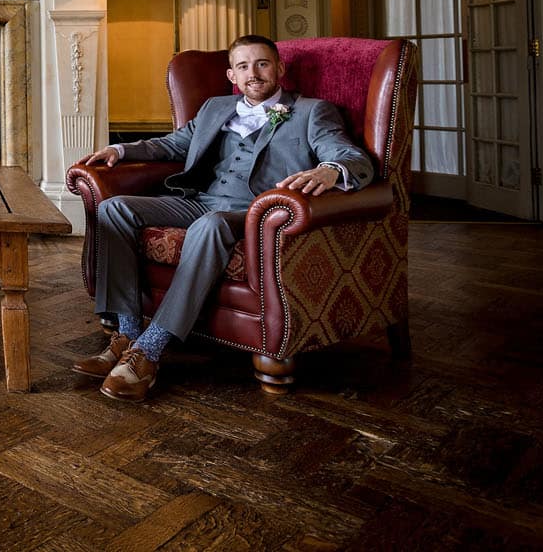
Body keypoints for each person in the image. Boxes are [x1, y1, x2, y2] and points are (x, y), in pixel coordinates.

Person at [73, 34, 372, 403]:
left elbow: (349, 156)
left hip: (254, 212)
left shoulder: (312, 111)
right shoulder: (215, 107)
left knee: (210, 225)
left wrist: (329, 171)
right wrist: (120, 149)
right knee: (114, 209)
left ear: (279, 68)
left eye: (262, 63)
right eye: (244, 66)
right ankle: (127, 334)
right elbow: (173, 145)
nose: (254, 73)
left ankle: (150, 350)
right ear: (233, 75)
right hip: (200, 200)